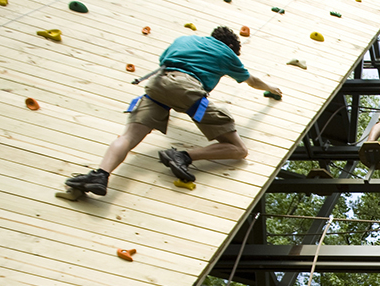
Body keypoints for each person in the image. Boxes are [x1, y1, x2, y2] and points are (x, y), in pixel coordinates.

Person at [64, 26, 282, 197]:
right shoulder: (227, 54)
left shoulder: (185, 40)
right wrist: (271, 89)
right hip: (189, 94)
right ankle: (182, 156)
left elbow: (165, 64)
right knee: (239, 150)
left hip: (157, 86)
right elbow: (251, 81)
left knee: (128, 137)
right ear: (232, 48)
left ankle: (100, 175)